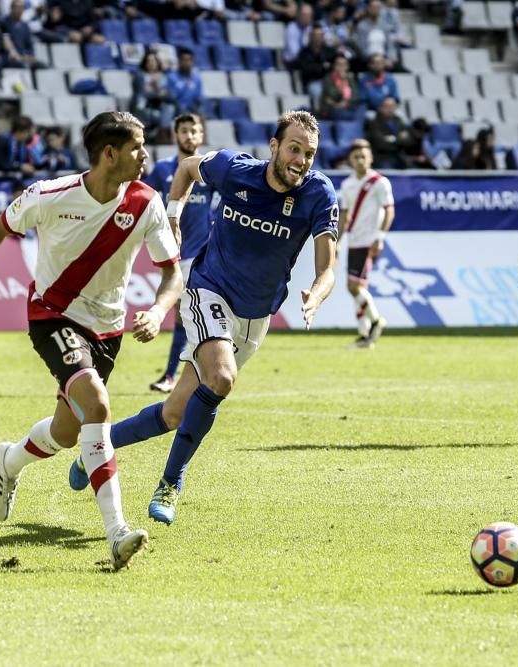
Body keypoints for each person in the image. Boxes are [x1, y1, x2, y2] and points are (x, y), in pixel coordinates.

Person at [0, 111, 184, 570]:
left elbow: (171, 273)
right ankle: (117, 531)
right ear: (109, 154)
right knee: (98, 406)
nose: (146, 155)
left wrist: (160, 311)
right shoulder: (49, 195)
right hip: (52, 316)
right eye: (138, 147)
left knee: (67, 431)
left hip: (108, 329)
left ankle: (9, 461)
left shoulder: (146, 202)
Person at [66, 110, 338, 527]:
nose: (301, 160)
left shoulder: (319, 193)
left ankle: (97, 448)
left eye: (309, 153)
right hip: (208, 289)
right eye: (294, 148)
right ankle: (170, 483)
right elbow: (186, 168)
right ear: (274, 147)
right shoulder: (234, 170)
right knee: (222, 377)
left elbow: (328, 265)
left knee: (174, 413)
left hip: (255, 316)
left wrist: (316, 293)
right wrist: (173, 213)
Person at [143, 112, 213, 394]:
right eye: (183, 130)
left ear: (201, 135)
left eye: (193, 130)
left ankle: (174, 375)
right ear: (176, 135)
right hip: (174, 254)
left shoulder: (209, 170)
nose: (188, 135)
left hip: (204, 255)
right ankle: (192, 372)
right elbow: (145, 202)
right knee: (185, 316)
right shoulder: (162, 170)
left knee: (185, 315)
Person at [337, 139, 392, 348]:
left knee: (353, 286)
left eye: (363, 156)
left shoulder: (379, 182)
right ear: (350, 159)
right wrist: (338, 241)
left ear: (370, 158)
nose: (360, 160)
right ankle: (364, 335)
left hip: (368, 241)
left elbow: (389, 209)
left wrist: (380, 237)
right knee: (359, 287)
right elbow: (344, 216)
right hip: (354, 240)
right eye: (356, 157)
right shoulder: (347, 185)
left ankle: (376, 322)